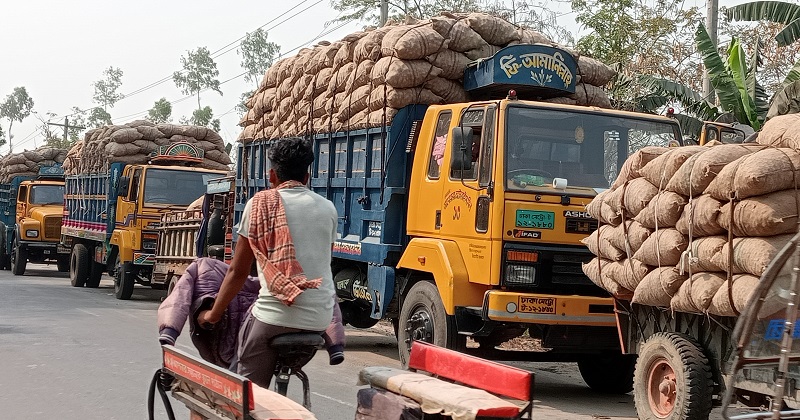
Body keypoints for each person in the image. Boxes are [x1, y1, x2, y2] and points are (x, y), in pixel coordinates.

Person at [197, 137, 339, 388]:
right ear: (307, 177)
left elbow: (238, 271)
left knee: (244, 389)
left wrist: (213, 314)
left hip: (274, 317)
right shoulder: (328, 209)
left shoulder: (258, 204)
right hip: (318, 321)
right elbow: (322, 261)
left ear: (272, 176)